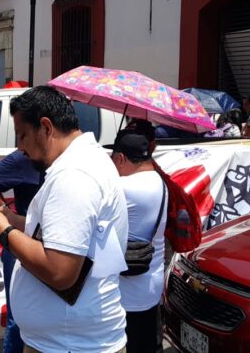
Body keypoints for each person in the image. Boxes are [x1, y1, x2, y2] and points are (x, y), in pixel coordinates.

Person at [0, 86, 129, 352]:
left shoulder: (74, 175)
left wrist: (5, 234)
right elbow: (58, 233)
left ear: (46, 127)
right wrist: (9, 218)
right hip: (68, 341)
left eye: (22, 135)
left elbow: (60, 271)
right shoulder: (82, 162)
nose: (19, 147)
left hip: (69, 345)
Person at [106, 123, 166, 353]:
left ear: (121, 158)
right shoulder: (159, 181)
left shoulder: (125, 187)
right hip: (151, 285)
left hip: (128, 293)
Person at [0, 150, 45, 353]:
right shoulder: (25, 156)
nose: (21, 143)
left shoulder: (66, 162)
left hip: (46, 247)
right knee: (18, 319)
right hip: (19, 245)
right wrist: (7, 213)